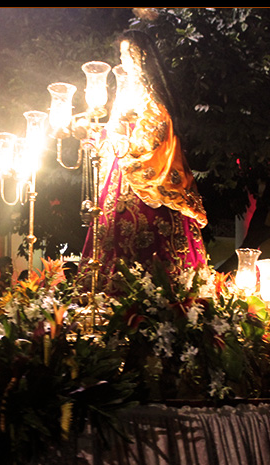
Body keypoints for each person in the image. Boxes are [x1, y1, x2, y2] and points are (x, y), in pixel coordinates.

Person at [80, 29, 207, 285]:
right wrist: (94, 134)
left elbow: (160, 124)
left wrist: (130, 144)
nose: (123, 59)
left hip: (145, 165)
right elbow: (113, 129)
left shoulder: (151, 89)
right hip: (120, 169)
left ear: (142, 55)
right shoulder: (125, 90)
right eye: (121, 53)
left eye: (128, 52)